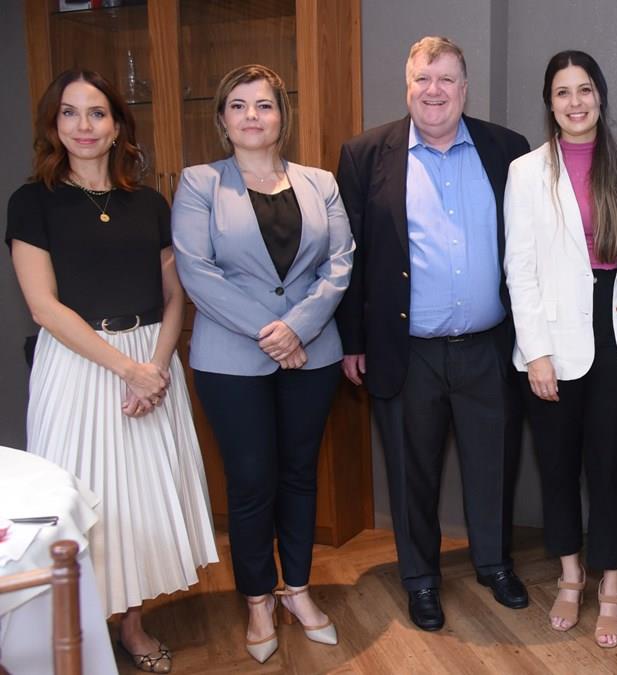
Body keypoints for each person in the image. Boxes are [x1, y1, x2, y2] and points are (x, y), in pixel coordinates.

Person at [7, 69, 218, 674]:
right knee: (81, 499)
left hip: (152, 359)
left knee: (142, 499)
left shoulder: (148, 203)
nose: (84, 126)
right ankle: (80, 631)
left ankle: (132, 623)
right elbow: (43, 306)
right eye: (69, 113)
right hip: (79, 363)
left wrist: (155, 367)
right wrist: (128, 369)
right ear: (53, 126)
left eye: (97, 113)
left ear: (118, 124)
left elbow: (175, 295)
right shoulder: (31, 202)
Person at [334, 36, 531, 632]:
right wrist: (353, 341)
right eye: (423, 78)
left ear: (465, 89)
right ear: (407, 86)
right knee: (409, 470)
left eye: (446, 79)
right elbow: (349, 257)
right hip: (406, 350)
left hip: (489, 347)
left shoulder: (508, 150)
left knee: (493, 463)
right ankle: (420, 579)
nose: (434, 90)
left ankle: (494, 563)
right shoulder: (366, 155)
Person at [171, 64, 354, 664]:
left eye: (264, 104)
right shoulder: (200, 183)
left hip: (312, 354)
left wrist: (297, 328)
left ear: (282, 116)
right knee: (251, 483)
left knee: (300, 475)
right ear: (222, 119)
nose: (252, 115)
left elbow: (340, 263)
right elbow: (197, 271)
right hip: (231, 360)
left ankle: (296, 589)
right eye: (239, 105)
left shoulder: (320, 183)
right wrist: (272, 334)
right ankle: (257, 599)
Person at [503, 50, 617, 648]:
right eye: (563, 92)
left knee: (609, 468)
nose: (575, 102)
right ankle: (569, 576)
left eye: (585, 89)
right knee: (557, 465)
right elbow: (520, 267)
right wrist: (535, 352)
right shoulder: (526, 172)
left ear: (600, 95)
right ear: (550, 103)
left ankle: (611, 586)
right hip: (552, 338)